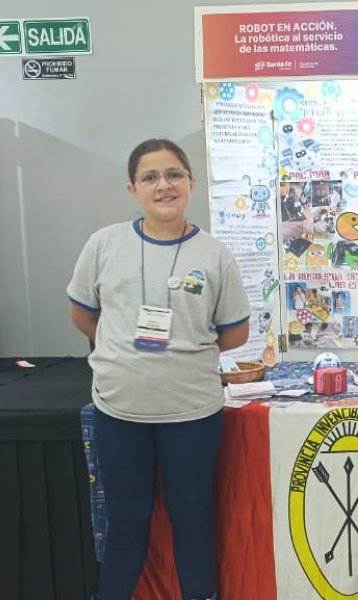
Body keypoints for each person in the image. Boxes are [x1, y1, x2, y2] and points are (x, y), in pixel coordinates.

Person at [67, 139, 251, 600]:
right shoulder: (103, 244)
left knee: (192, 521)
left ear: (191, 182)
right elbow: (83, 315)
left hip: (191, 412)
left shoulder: (214, 254)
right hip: (120, 413)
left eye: (173, 174)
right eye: (150, 177)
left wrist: (186, 348)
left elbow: (235, 333)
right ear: (133, 189)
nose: (163, 185)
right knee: (126, 526)